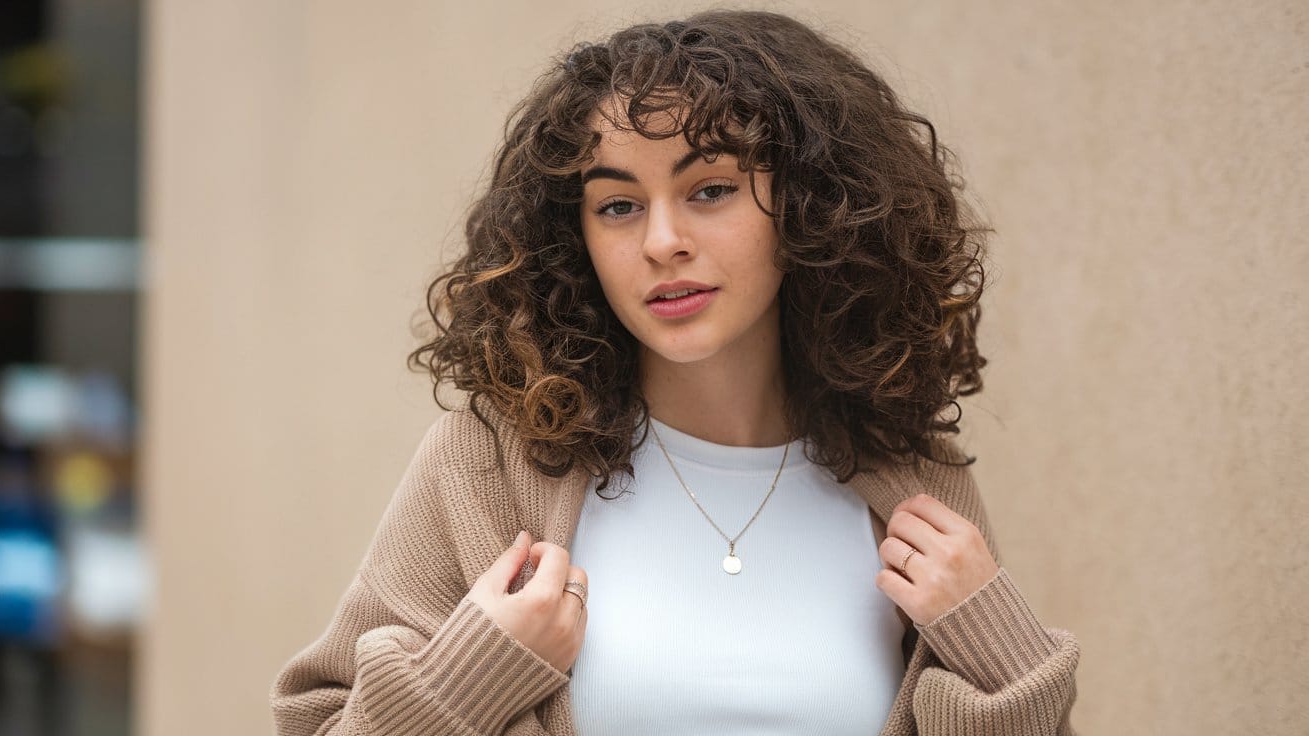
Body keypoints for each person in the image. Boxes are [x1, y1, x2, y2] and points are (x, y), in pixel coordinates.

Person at [270, 9, 1080, 735]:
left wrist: (994, 643)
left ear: (811, 208)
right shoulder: (490, 465)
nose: (662, 242)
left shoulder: (910, 477)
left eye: (711, 189)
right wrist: (467, 680)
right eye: (618, 206)